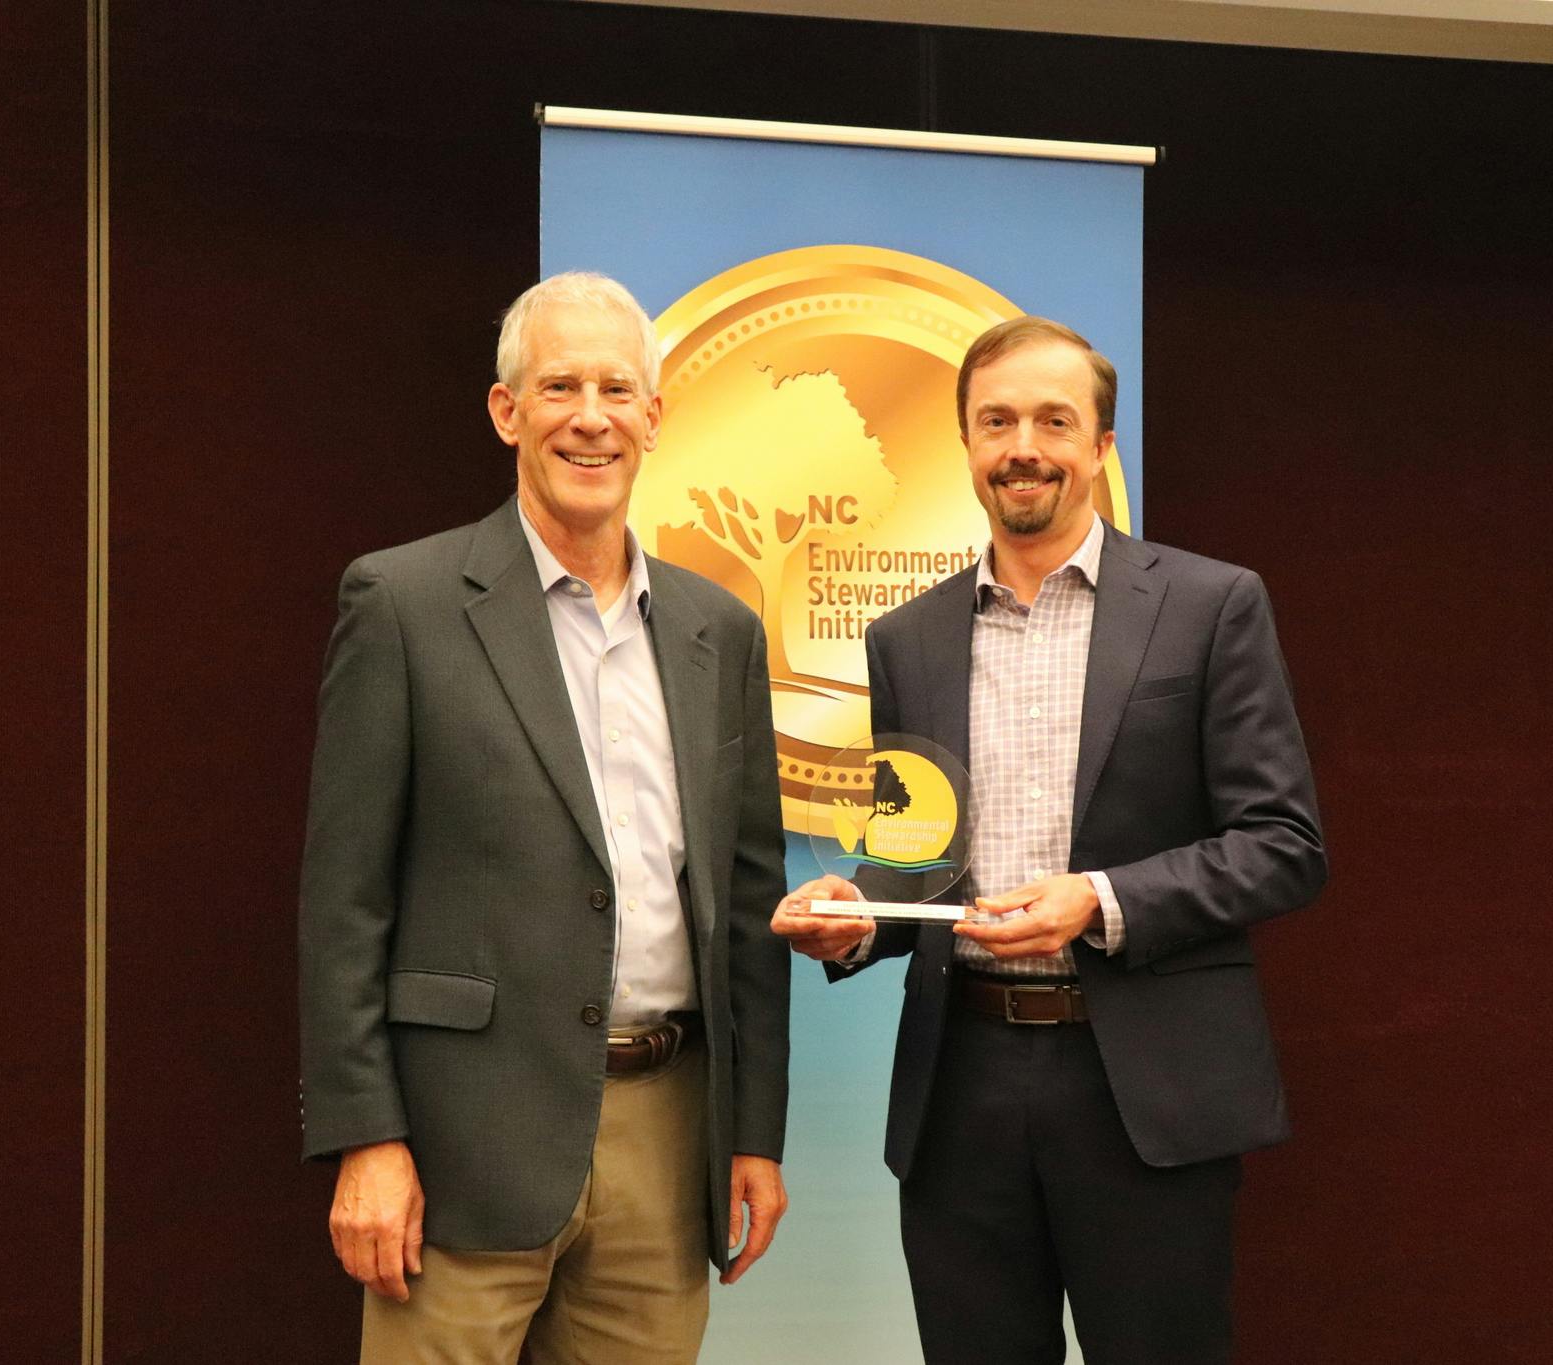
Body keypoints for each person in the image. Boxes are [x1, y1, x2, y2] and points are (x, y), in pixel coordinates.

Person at [773, 316, 1325, 1363]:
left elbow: (1283, 842)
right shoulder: (906, 638)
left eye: (1051, 420)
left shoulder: (1210, 608)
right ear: (968, 444)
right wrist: (854, 918)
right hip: (961, 1090)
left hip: (1143, 1093)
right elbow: (914, 852)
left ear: (1099, 445)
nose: (1021, 444)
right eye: (995, 420)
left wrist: (1100, 902)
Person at [299, 271, 790, 1364]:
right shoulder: (404, 604)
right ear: (505, 411)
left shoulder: (722, 632)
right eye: (558, 385)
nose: (589, 415)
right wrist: (366, 1137)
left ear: (654, 420)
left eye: (617, 388)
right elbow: (345, 902)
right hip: (460, 1140)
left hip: (667, 1139)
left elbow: (747, 907)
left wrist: (752, 1134)